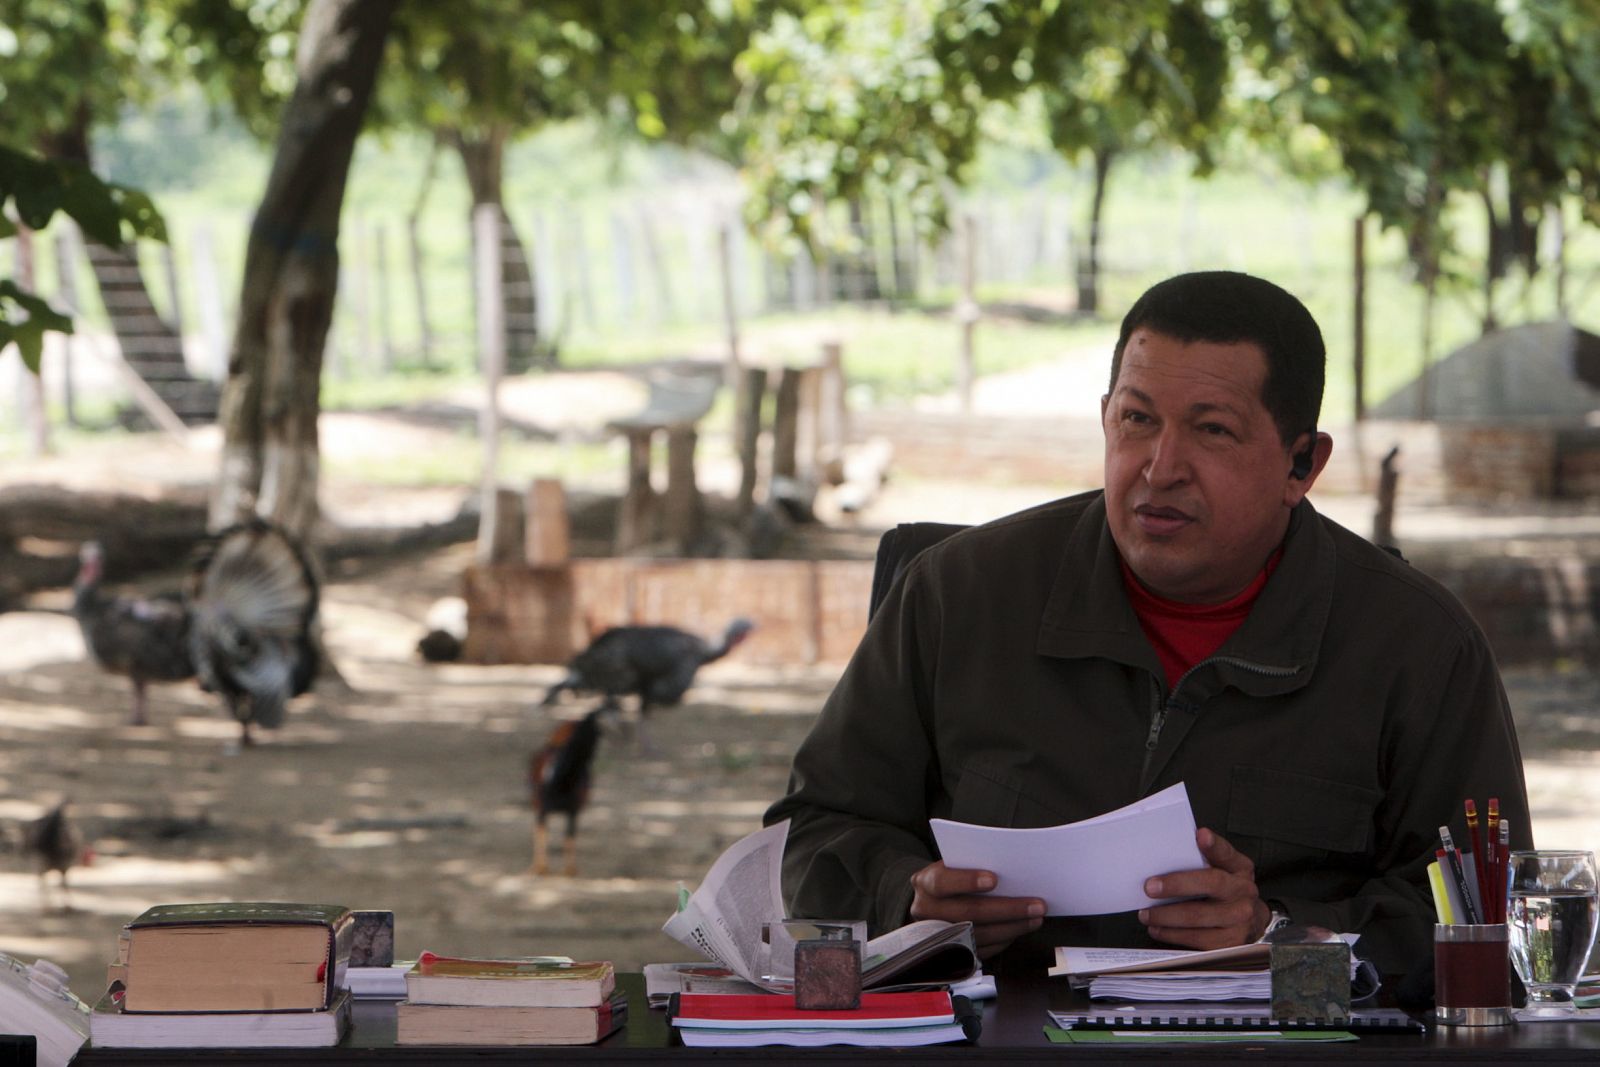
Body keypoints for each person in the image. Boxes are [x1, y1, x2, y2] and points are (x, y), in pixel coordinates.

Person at [764, 271, 1531, 978]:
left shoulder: (1415, 645)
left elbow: (1488, 912)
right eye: (1136, 419)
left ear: (1302, 464)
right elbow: (813, 829)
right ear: (1105, 419)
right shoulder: (959, 593)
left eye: (1213, 431)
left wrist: (1281, 933)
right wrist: (909, 897)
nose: (1160, 467)